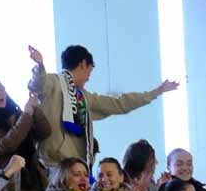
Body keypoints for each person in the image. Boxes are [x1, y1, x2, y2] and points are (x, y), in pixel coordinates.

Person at [28, 43, 176, 170]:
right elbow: (37, 84)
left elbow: (119, 103)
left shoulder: (85, 98)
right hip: (52, 164)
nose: (89, 77)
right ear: (83, 64)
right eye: (90, 70)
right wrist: (39, 65)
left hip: (77, 167)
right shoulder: (53, 81)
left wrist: (156, 92)